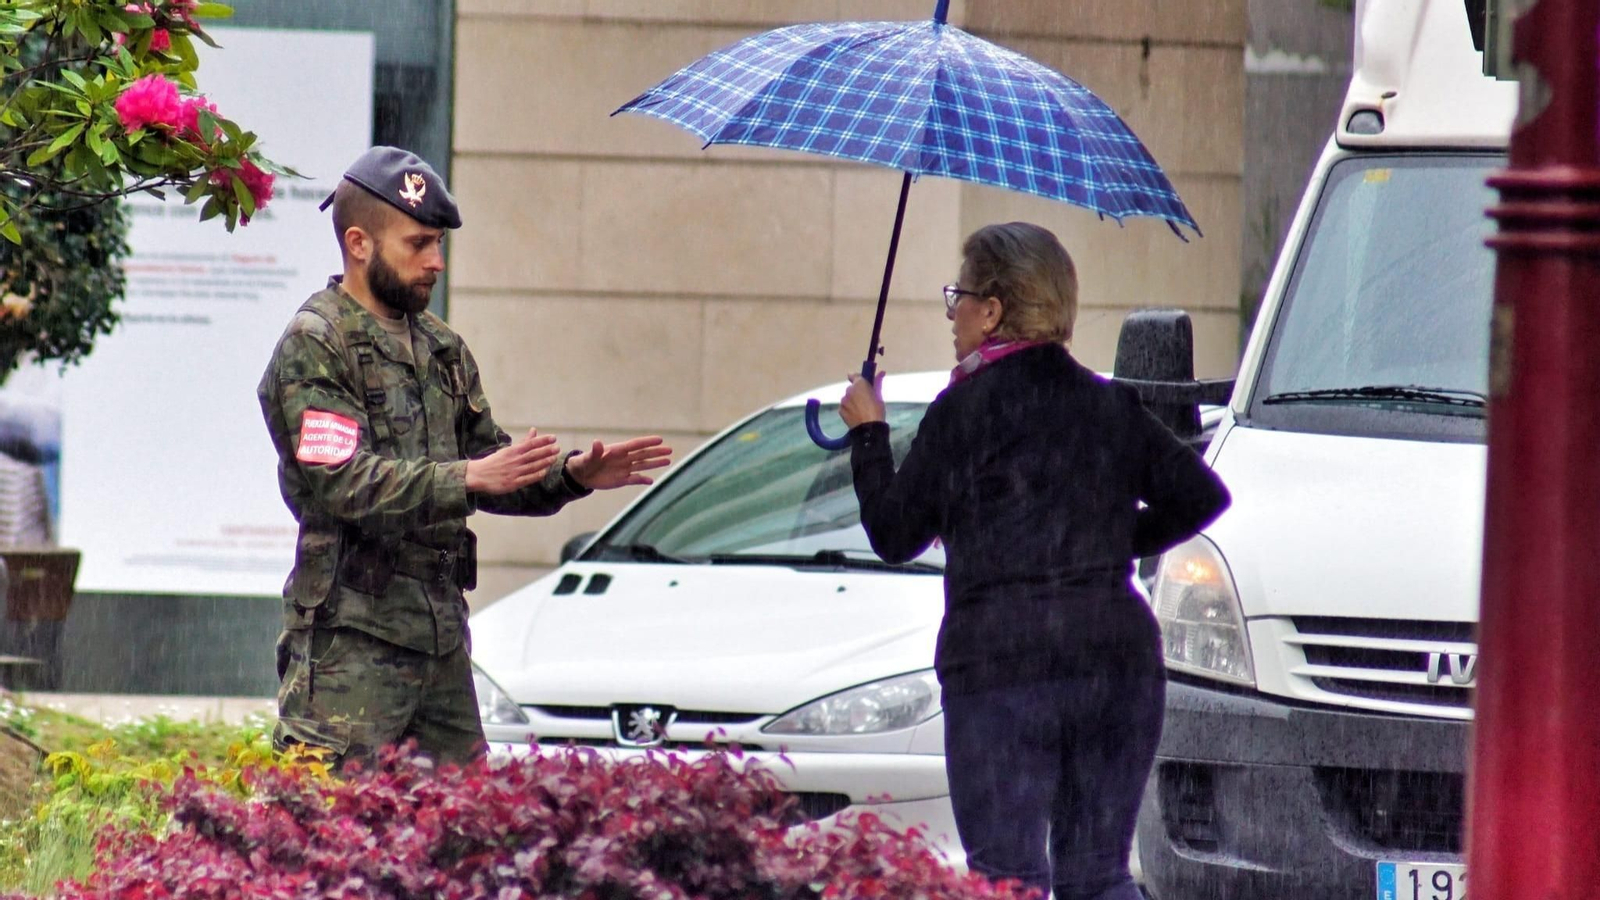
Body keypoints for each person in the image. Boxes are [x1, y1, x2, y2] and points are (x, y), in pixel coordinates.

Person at [837, 222, 1230, 900]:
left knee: (1007, 882)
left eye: (958, 295)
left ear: (992, 310)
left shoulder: (963, 411)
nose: (952, 312)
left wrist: (868, 432)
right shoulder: (1108, 404)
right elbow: (1201, 494)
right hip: (1115, 663)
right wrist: (1107, 544)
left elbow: (895, 533)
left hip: (1002, 669)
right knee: (1099, 876)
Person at [257, 146, 672, 771]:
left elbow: (492, 466)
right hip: (352, 646)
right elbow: (342, 483)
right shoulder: (317, 341)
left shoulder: (441, 347)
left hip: (439, 640)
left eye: (439, 245)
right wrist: (469, 476)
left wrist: (569, 477)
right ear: (359, 243)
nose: (436, 263)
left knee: (463, 833)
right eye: (418, 244)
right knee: (328, 830)